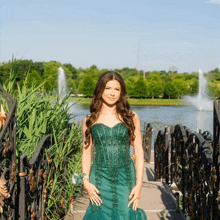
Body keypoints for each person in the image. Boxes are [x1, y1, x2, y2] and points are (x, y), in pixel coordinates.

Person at [82, 71, 147, 219]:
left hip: (126, 177)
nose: (112, 93)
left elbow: (139, 152)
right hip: (99, 178)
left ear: (121, 92)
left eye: (116, 89)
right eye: (108, 88)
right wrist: (85, 181)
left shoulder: (131, 117)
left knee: (126, 213)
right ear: (100, 90)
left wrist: (139, 185)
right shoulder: (89, 120)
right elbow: (86, 153)